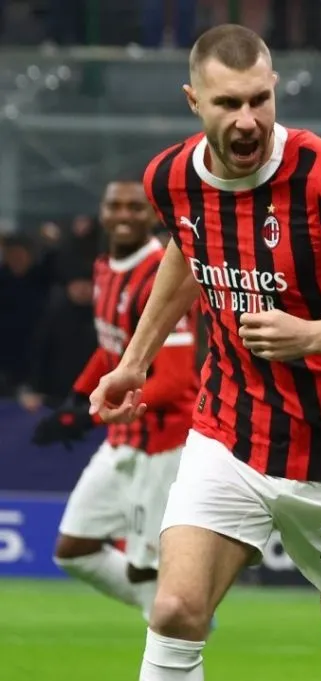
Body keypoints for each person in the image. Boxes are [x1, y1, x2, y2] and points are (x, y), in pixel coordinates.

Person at [88, 24, 321, 681]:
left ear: (275, 90)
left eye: (259, 99)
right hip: (230, 432)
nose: (247, 119)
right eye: (228, 103)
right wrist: (135, 359)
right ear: (193, 101)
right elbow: (189, 246)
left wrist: (313, 335)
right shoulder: (169, 178)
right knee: (174, 610)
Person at [32, 179, 199, 621]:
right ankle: (182, 613)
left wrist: (91, 417)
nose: (124, 214)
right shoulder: (105, 267)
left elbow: (176, 380)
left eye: (135, 207)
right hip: (124, 438)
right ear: (103, 213)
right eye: (115, 206)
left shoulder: (162, 274)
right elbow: (112, 348)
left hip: (164, 445)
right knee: (73, 550)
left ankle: (177, 626)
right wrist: (76, 399)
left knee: (148, 569)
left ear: (153, 215)